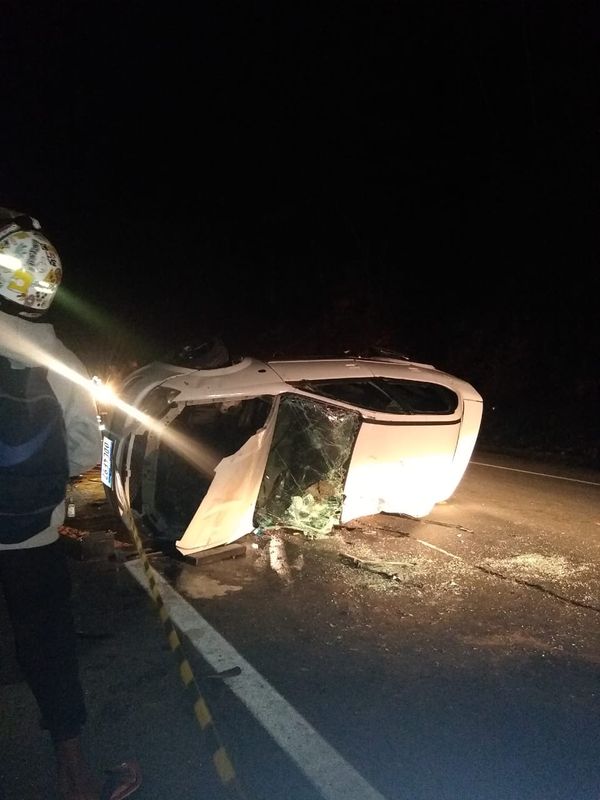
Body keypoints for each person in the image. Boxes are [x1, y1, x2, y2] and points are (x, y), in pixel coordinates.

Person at [0, 208, 141, 800]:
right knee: (48, 644)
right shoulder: (64, 365)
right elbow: (84, 450)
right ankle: (76, 776)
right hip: (30, 535)